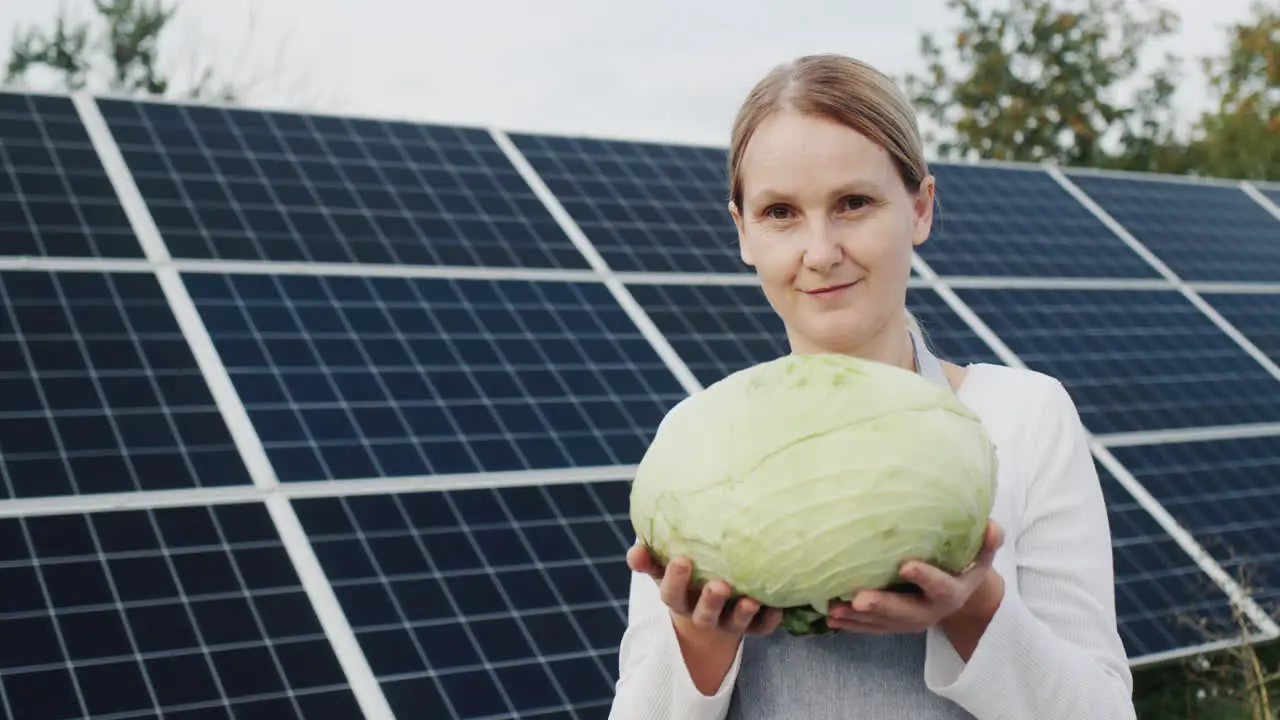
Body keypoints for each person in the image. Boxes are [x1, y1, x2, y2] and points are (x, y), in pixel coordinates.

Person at [607, 54, 1136, 719]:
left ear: (919, 208)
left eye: (853, 203)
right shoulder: (694, 438)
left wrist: (974, 609)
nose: (821, 251)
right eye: (780, 213)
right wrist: (699, 636)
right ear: (742, 231)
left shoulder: (1024, 416)